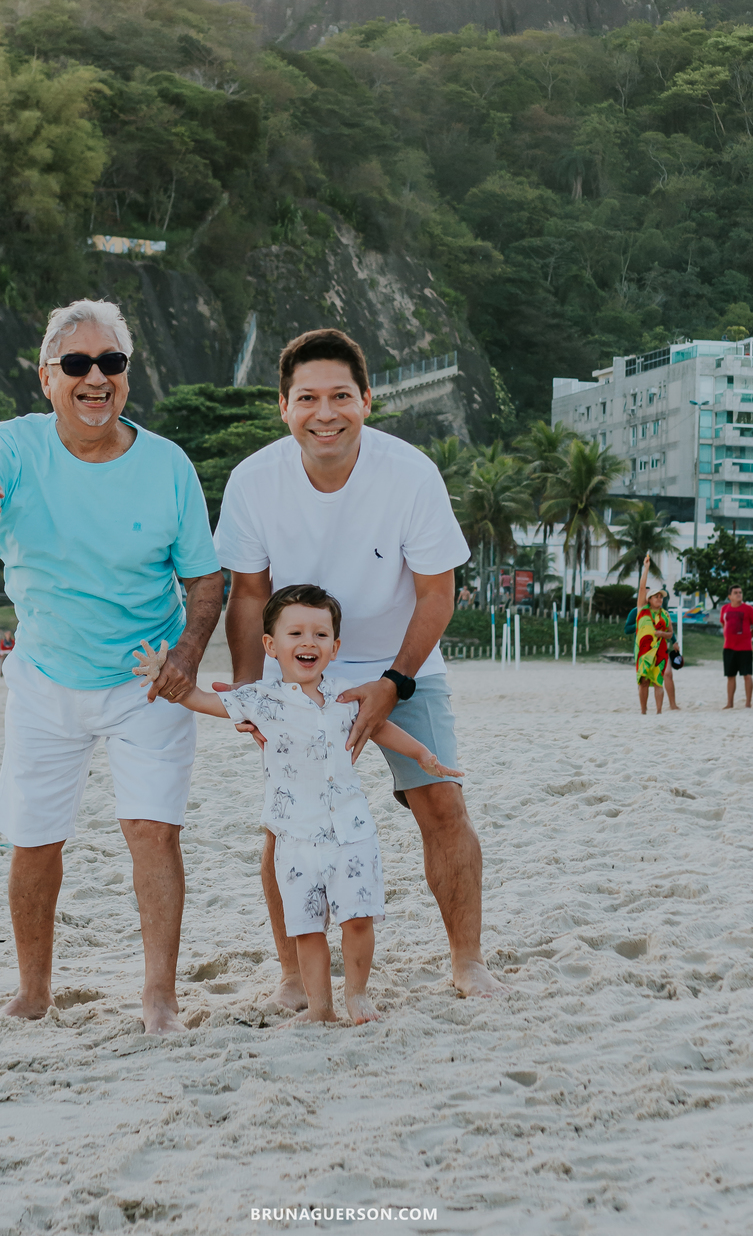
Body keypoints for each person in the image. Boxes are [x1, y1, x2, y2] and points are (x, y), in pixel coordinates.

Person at [0, 297, 222, 1029]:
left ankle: (159, 996)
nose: (96, 378)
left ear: (128, 374)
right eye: (78, 365)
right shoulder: (14, 447)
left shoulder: (168, 466)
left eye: (111, 363)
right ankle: (33, 992)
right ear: (47, 377)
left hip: (145, 679)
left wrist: (187, 656)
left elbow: (207, 578)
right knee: (36, 839)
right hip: (45, 677)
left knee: (152, 830)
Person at [212, 326, 503, 1005]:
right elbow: (249, 593)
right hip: (301, 667)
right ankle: (293, 976)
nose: (325, 413)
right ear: (283, 407)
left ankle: (467, 961)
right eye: (307, 398)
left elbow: (436, 593)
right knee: (289, 822)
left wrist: (394, 682)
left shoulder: (408, 474)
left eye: (341, 395)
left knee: (443, 804)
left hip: (404, 662)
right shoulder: (254, 482)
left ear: (367, 400)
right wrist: (257, 693)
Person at [135, 584, 461, 1024]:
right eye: (296, 634)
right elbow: (198, 699)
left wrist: (423, 755)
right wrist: (163, 677)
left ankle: (358, 996)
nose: (309, 642)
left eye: (321, 635)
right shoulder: (260, 700)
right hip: (295, 838)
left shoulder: (349, 696)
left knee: (358, 921)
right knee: (307, 930)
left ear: (335, 646)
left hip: (351, 832)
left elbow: (381, 729)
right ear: (270, 645)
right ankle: (321, 1008)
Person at [634, 555, 669, 714]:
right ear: (649, 599)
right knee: (644, 681)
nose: (660, 599)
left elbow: (671, 633)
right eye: (657, 596)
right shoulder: (642, 609)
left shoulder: (665, 615)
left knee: (658, 682)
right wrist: (646, 568)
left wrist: (662, 633)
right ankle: (643, 710)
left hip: (660, 650)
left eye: (661, 597)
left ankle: (659, 711)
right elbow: (642, 588)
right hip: (644, 651)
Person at [720, 583, 753, 709]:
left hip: (745, 648)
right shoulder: (725, 609)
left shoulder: (748, 609)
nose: (738, 595)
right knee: (730, 676)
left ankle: (748, 703)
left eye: (740, 592)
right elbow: (723, 623)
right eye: (735, 593)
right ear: (729, 596)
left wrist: (747, 637)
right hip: (729, 647)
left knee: (747, 675)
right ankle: (730, 703)